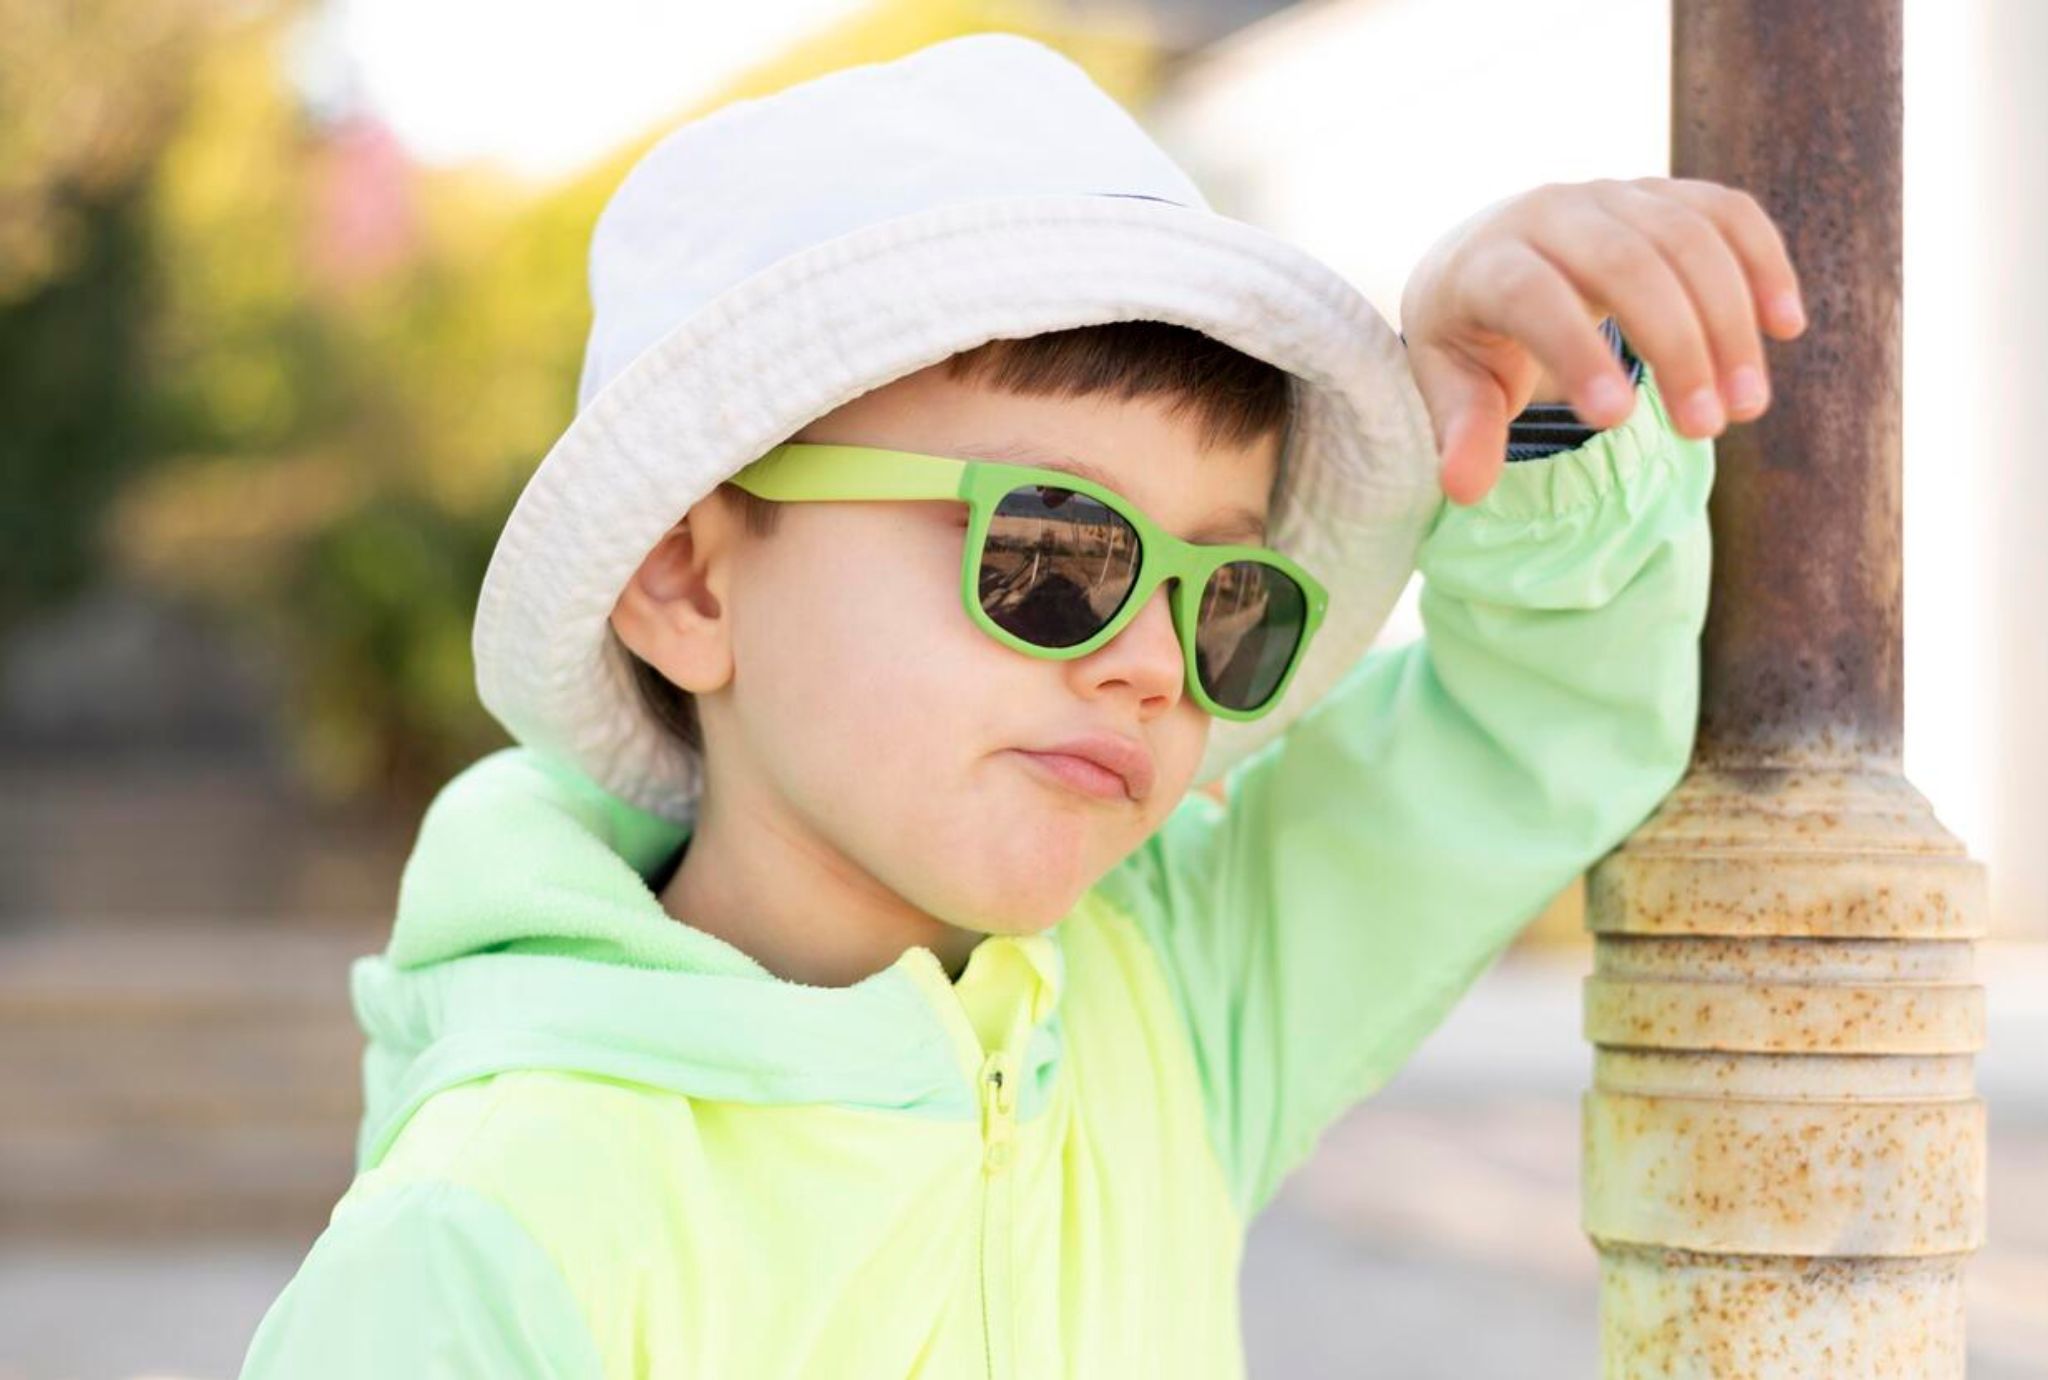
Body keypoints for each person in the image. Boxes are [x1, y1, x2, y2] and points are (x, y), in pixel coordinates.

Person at [236, 31, 1803, 1379]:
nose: (1154, 663)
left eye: (1222, 597)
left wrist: (1539, 418)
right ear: (690, 584)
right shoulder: (489, 1239)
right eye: (1056, 554)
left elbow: (1521, 735)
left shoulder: (1173, 1002)